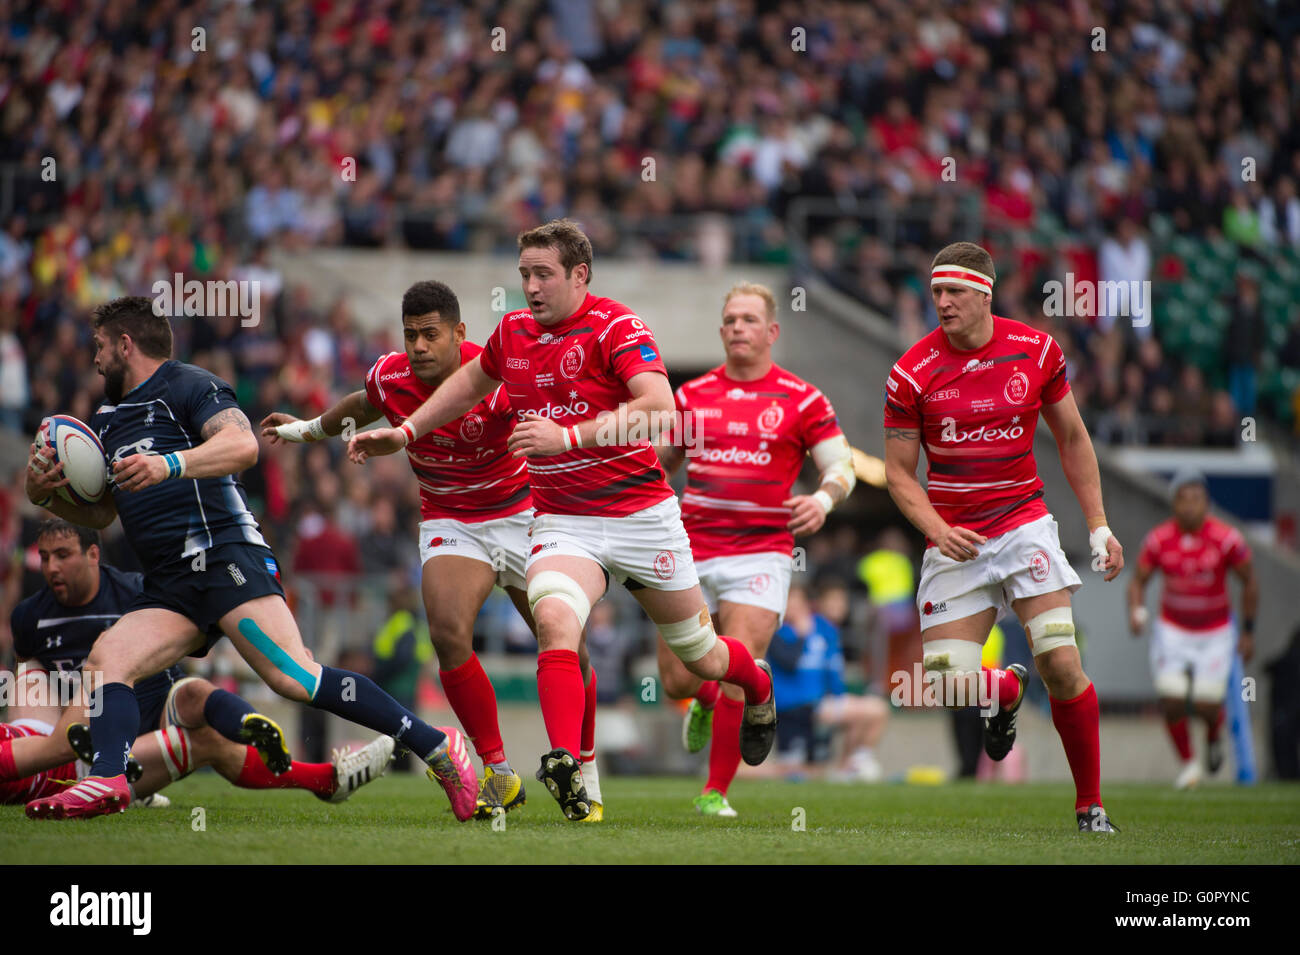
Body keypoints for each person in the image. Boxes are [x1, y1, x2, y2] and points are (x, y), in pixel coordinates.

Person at [350, 219, 777, 820]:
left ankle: (756, 685)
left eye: (543, 273)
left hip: (641, 515)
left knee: (701, 656)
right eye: (524, 273)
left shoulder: (615, 325)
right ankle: (567, 768)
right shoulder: (514, 332)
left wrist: (568, 435)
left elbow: (658, 408)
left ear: (580, 275)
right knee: (555, 623)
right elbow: (469, 385)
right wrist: (407, 430)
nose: (531, 286)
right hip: (561, 519)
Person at [22, 296, 476, 820]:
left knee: (295, 679)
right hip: (169, 582)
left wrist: (169, 463)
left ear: (126, 344)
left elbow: (243, 446)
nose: (94, 357)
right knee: (108, 660)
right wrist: (45, 494)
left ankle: (436, 744)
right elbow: (102, 515)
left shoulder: (188, 385)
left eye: (100, 345)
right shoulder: (106, 419)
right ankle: (107, 780)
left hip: (223, 557)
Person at [262, 279, 606, 818]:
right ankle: (498, 771)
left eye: (430, 335)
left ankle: (583, 766)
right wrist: (307, 430)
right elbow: (360, 403)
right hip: (451, 518)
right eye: (410, 336)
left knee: (565, 644)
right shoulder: (391, 376)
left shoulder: (495, 376)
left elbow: (555, 414)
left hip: (521, 513)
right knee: (448, 636)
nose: (419, 347)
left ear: (459, 333)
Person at [883, 241, 1125, 833]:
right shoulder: (911, 371)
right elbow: (896, 473)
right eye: (936, 291)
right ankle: (1005, 694)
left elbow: (1072, 439)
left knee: (1063, 665)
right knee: (945, 682)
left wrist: (1098, 523)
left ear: (985, 293)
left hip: (1023, 526)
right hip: (954, 537)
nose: (942, 302)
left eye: (955, 292)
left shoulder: (1036, 350)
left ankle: (1089, 807)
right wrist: (938, 530)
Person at [3, 519, 394, 806]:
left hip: (152, 706)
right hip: (83, 740)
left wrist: (289, 650)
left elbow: (213, 617)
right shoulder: (30, 617)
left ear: (93, 554)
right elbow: (31, 691)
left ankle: (249, 726)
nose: (52, 567)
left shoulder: (135, 593)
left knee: (192, 693)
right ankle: (323, 778)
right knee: (204, 734)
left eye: (62, 555)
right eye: (45, 557)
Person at [653, 281, 855, 816]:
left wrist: (824, 499)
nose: (738, 328)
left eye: (749, 319)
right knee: (676, 676)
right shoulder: (691, 397)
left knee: (741, 662)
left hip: (760, 554)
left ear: (772, 331)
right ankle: (703, 696)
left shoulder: (802, 398)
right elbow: (661, 466)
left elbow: (841, 467)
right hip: (690, 548)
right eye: (730, 320)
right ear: (721, 332)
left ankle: (715, 792)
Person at [1128, 470, 1258, 788]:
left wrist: (1248, 631)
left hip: (1214, 632)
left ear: (1207, 502)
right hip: (1173, 630)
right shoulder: (1159, 539)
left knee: (1206, 705)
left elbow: (1249, 582)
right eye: (1182, 499)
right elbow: (1138, 580)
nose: (1189, 506)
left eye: (1195, 499)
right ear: (1173, 503)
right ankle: (1189, 766)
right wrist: (1135, 610)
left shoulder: (1227, 538)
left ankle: (1214, 737)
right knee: (1171, 700)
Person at [768, 583, 888, 784]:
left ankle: (851, 764)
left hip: (819, 705)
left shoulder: (824, 628)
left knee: (876, 710)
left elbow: (832, 671)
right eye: (790, 601)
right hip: (791, 708)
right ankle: (849, 765)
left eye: (798, 601)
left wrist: (838, 697)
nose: (794, 607)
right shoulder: (777, 631)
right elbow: (789, 663)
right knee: (796, 770)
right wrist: (802, 634)